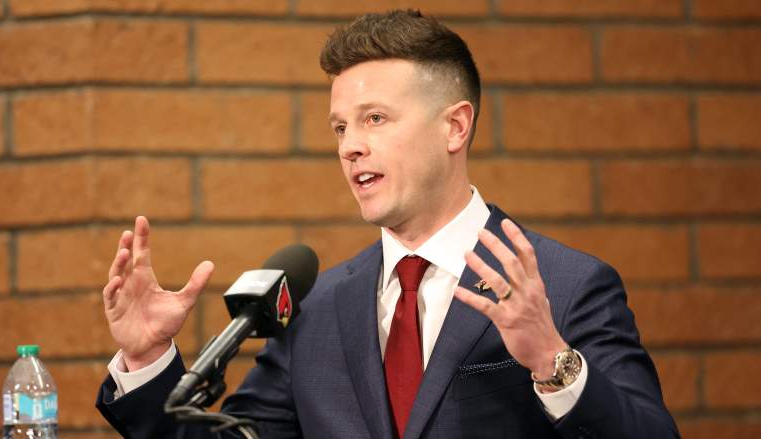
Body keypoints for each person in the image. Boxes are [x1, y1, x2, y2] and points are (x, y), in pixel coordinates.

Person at [96, 9, 679, 439]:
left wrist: (553, 361)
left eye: (375, 119)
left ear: (455, 128)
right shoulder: (316, 308)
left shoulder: (568, 283)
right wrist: (149, 360)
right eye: (340, 128)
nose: (351, 147)